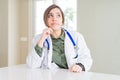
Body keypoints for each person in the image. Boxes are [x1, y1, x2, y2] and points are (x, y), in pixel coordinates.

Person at [26, 4, 92, 73]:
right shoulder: (39, 39)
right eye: (50, 16)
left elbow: (86, 58)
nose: (54, 19)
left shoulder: (76, 37)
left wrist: (80, 66)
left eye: (58, 15)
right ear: (46, 21)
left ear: (62, 20)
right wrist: (42, 39)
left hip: (73, 76)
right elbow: (32, 64)